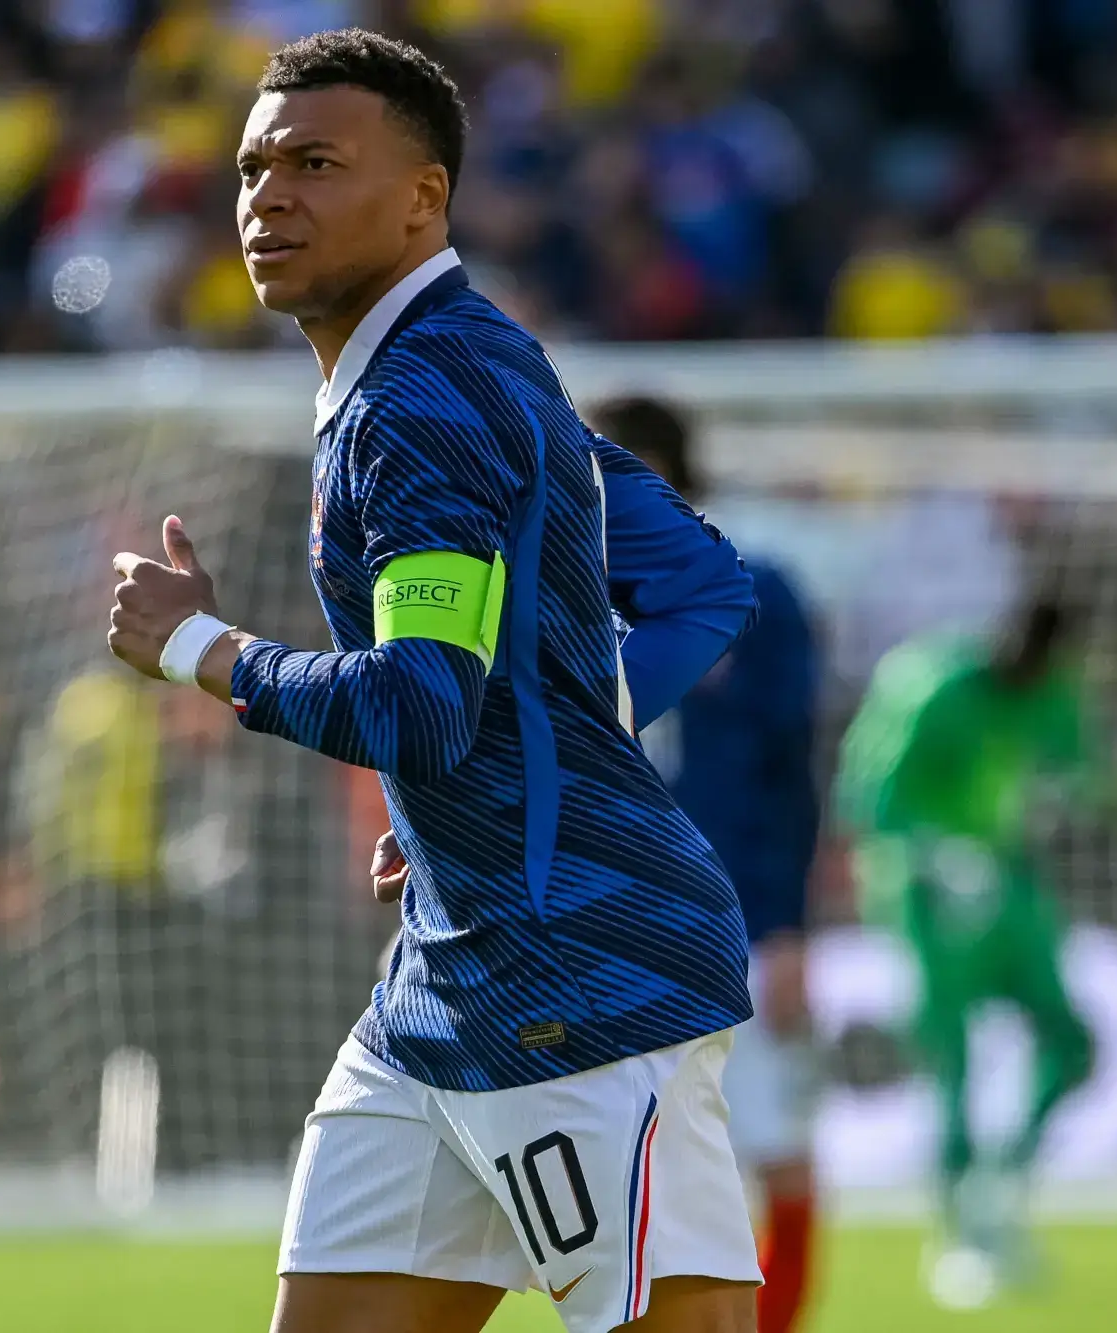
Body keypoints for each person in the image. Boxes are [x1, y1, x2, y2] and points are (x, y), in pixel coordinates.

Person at [105, 30, 762, 1333]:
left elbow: (420, 704)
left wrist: (199, 648)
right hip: (442, 992)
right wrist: (519, 772)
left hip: (579, 980)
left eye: (313, 162)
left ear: (423, 198)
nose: (267, 195)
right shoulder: (473, 362)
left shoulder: (422, 401)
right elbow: (701, 584)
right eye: (250, 168)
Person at [593, 398, 821, 1333]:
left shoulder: (758, 592)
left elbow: (792, 767)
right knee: (606, 1179)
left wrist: (793, 926)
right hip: (596, 925)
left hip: (733, 919)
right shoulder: (553, 599)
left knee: (782, 1154)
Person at [834, 593, 1097, 1304]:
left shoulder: (1054, 691)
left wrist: (1061, 795)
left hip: (1006, 882)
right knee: (953, 1059)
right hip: (921, 887)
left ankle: (1000, 1190)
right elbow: (867, 797)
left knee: (1071, 1041)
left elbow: (1087, 774)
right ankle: (955, 1238)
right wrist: (939, 854)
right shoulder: (931, 683)